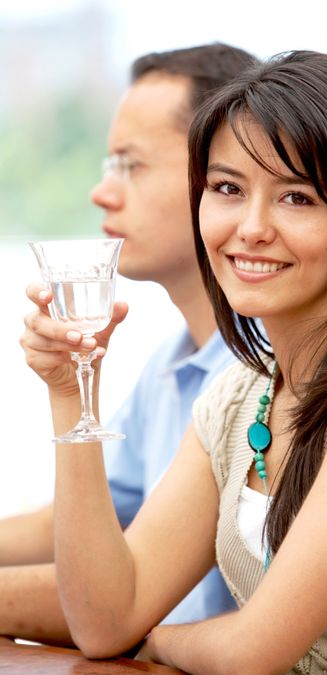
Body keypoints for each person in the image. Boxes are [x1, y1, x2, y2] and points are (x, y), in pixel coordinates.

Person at [22, 50, 327, 674]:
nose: (250, 228)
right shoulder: (241, 394)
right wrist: (68, 391)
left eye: (297, 198)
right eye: (227, 189)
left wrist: (162, 642)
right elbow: (106, 619)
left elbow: (253, 653)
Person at [0, 43, 258, 645]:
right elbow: (82, 522)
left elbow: (113, 606)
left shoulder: (269, 373)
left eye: (130, 165)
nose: (101, 193)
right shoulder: (171, 363)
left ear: (220, 175)